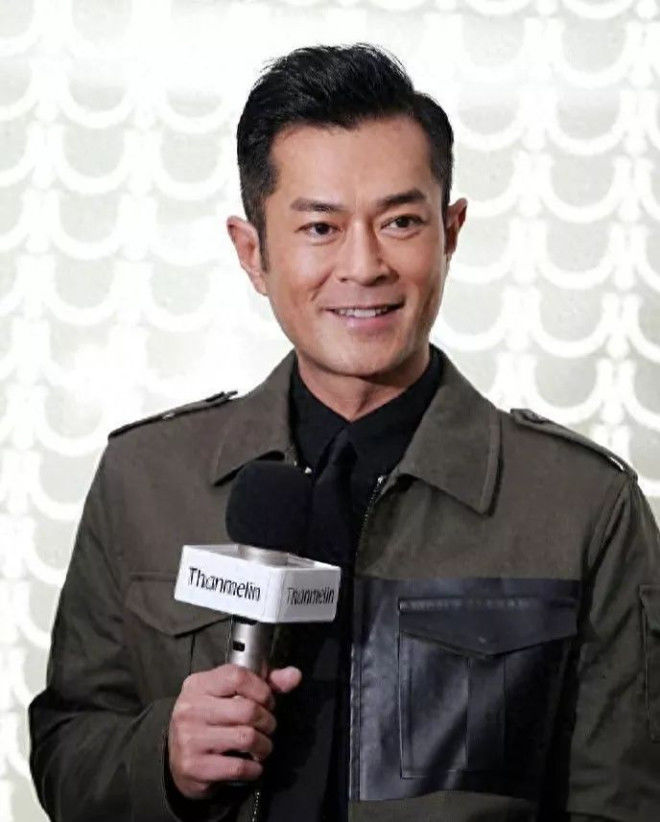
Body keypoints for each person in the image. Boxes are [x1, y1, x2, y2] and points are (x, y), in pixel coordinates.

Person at [28, 42, 660, 822]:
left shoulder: (582, 507)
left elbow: (626, 801)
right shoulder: (145, 479)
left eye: (401, 221)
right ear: (253, 252)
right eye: (321, 227)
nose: (363, 265)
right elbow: (67, 749)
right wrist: (163, 755)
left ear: (451, 231)